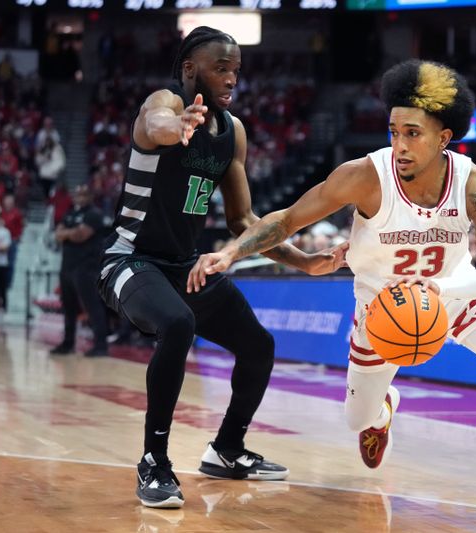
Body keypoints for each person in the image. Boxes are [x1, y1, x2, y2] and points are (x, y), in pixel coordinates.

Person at [189, 59, 476, 506]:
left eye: (413, 133)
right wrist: (232, 251)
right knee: (356, 420)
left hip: (456, 296)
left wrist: (440, 292)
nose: (400, 145)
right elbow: (288, 218)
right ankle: (381, 412)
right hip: (381, 310)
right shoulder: (365, 175)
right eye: (394, 132)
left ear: (444, 138)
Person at [96, 26, 346, 509]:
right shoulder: (164, 103)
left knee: (258, 344)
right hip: (128, 260)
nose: (231, 78)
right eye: (220, 68)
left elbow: (243, 221)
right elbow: (156, 124)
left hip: (185, 265)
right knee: (177, 323)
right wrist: (179, 126)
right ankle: (154, 461)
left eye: (235, 69)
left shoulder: (232, 131)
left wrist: (302, 262)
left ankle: (228, 449)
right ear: (191, 69)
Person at [50, 184, 110, 357]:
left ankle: (101, 345)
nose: (80, 198)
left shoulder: (94, 214)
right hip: (67, 266)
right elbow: (58, 234)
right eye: (78, 195)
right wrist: (70, 233)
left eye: (84, 195)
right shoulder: (70, 213)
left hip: (85, 267)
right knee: (68, 307)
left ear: (90, 196)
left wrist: (67, 233)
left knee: (92, 306)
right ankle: (68, 343)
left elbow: (81, 235)